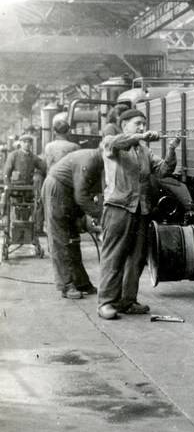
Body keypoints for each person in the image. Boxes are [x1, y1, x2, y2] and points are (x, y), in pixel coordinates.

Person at [98, 108, 180, 320]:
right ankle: (106, 302)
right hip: (119, 208)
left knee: (136, 258)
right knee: (114, 257)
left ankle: (128, 301)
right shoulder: (111, 142)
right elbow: (116, 143)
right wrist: (140, 136)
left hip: (141, 210)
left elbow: (163, 170)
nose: (143, 127)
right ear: (125, 125)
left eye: (144, 124)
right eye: (137, 123)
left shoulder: (144, 151)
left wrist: (172, 149)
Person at [42, 148, 103, 299]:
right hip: (57, 189)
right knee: (60, 239)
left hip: (68, 192)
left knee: (73, 238)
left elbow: (91, 192)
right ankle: (66, 285)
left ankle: (81, 282)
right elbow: (81, 196)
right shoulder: (91, 161)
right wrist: (100, 215)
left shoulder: (99, 162)